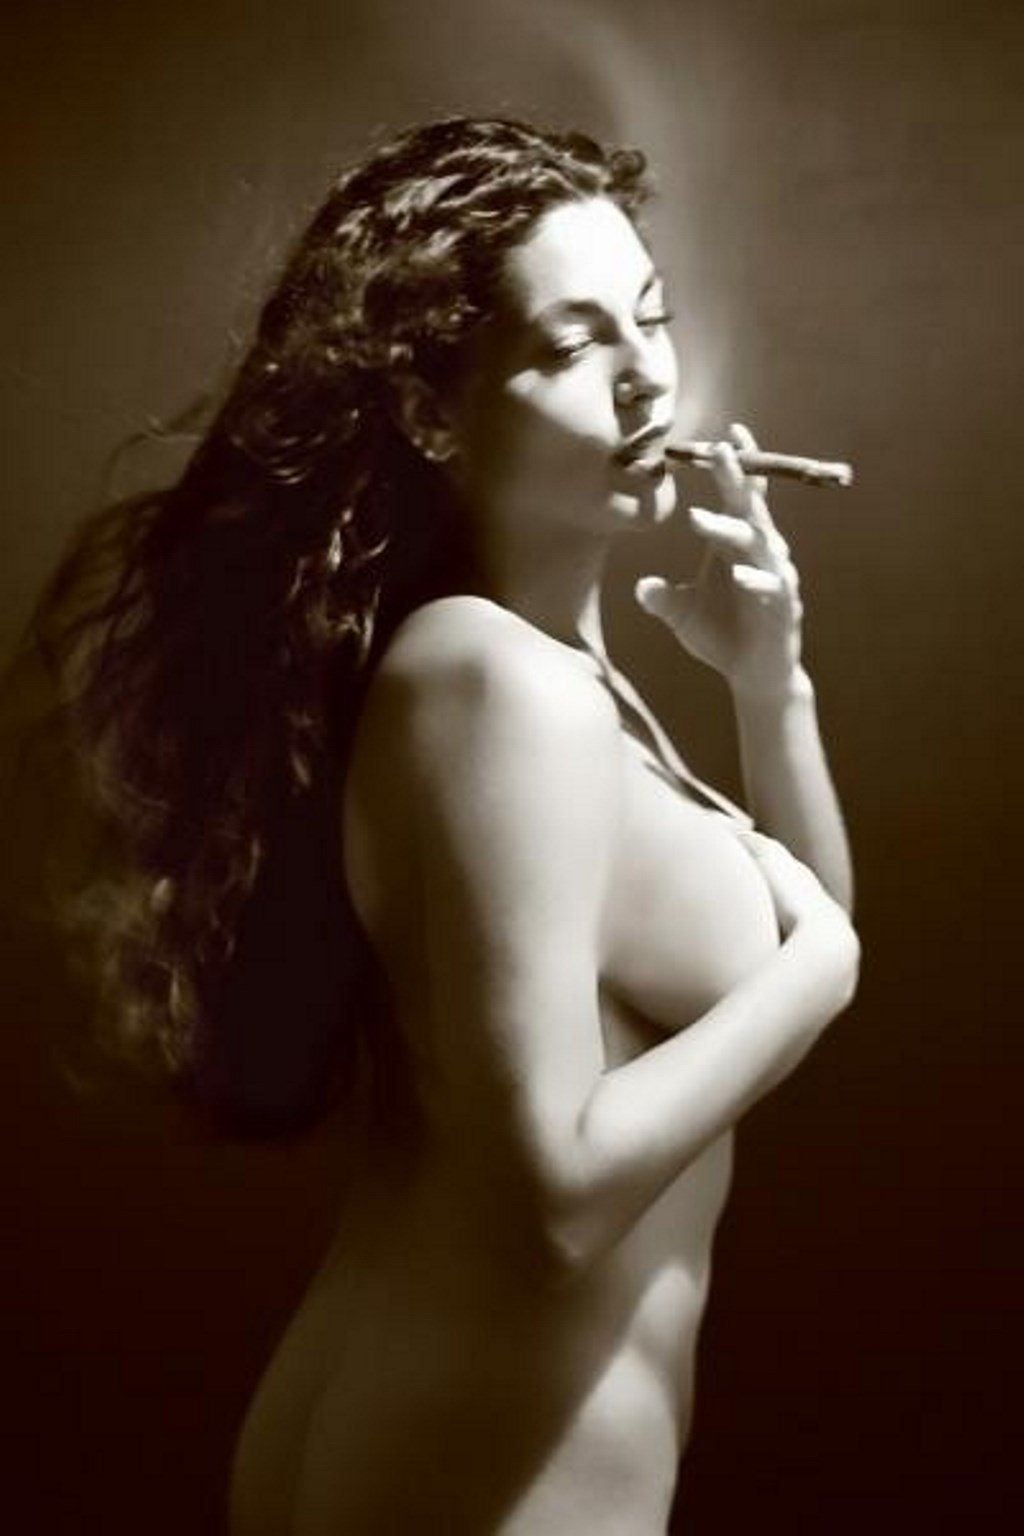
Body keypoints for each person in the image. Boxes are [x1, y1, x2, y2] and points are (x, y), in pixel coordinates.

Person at [35, 116, 858, 1535]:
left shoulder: (559, 688)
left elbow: (796, 942)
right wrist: (830, 972)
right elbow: (554, 1201)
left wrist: (767, 685)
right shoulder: (496, 686)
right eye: (574, 342)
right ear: (429, 410)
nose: (645, 374)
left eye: (651, 316)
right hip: (467, 1485)